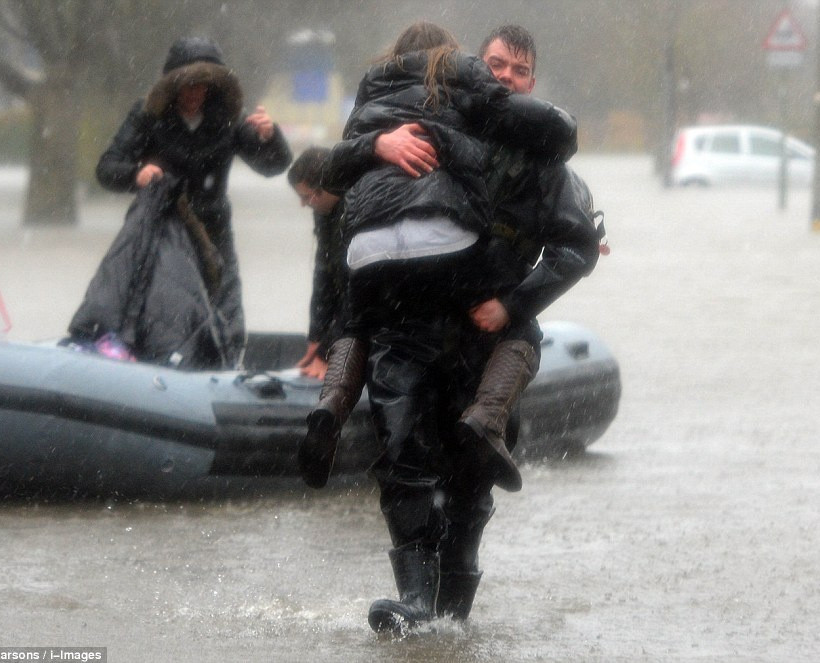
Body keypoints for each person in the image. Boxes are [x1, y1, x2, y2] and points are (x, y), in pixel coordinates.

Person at [305, 24, 603, 626]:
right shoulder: (419, 129)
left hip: (487, 340)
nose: (504, 77)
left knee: (471, 481)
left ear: (531, 83)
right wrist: (376, 147)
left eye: (518, 72)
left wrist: (513, 305)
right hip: (408, 327)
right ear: (468, 66)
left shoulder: (544, 161)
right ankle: (415, 604)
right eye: (494, 64)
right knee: (401, 459)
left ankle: (453, 615)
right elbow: (334, 189)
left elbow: (576, 244)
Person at [68, 36, 292, 369]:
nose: (194, 94)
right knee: (163, 307)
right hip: (160, 228)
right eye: (187, 86)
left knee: (225, 304)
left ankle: (225, 366)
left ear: (212, 87)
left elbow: (273, 166)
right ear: (172, 86)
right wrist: (137, 174)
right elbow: (106, 169)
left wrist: (270, 136)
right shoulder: (146, 116)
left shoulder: (229, 118)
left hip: (214, 228)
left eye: (202, 86)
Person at [286, 147, 348, 380]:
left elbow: (357, 296)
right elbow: (324, 276)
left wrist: (326, 354)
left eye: (306, 196)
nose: (303, 204)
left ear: (328, 189)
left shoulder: (357, 213)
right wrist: (316, 336)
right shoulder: (324, 210)